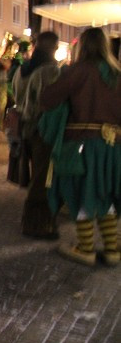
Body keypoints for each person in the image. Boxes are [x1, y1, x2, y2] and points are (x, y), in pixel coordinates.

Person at [40, 27, 121, 267]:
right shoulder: (118, 73)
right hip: (115, 149)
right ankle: (111, 248)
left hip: (83, 145)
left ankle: (86, 247)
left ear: (82, 46)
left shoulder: (78, 71)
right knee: (105, 194)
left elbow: (48, 99)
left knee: (81, 192)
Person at [12, 31, 61, 240]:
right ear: (54, 47)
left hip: (25, 128)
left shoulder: (23, 68)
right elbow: (51, 101)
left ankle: (34, 222)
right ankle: (37, 225)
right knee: (43, 179)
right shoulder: (50, 70)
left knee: (35, 174)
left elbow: (15, 96)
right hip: (43, 129)